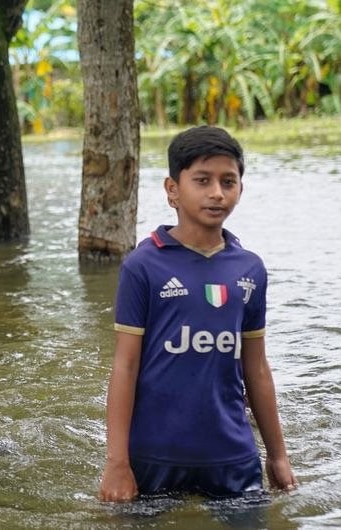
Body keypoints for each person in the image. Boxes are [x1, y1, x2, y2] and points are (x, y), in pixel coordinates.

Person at [98, 126, 296, 502]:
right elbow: (125, 367)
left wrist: (278, 455)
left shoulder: (250, 269)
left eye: (228, 181)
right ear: (173, 189)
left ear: (240, 188)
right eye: (202, 180)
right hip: (153, 457)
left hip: (232, 456)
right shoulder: (143, 266)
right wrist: (117, 463)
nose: (217, 193)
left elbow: (256, 369)